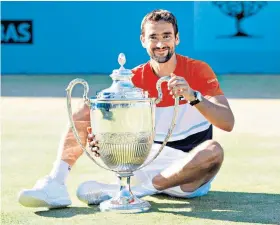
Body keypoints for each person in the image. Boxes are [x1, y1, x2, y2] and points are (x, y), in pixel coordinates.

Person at [18, 9, 234, 209]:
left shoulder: (198, 70)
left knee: (213, 151)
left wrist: (193, 96)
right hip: (144, 162)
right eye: (153, 37)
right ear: (143, 41)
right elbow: (115, 127)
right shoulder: (132, 79)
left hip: (187, 174)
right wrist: (101, 140)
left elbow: (227, 122)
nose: (160, 43)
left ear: (176, 39)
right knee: (85, 109)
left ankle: (134, 192)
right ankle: (55, 183)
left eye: (166, 36)